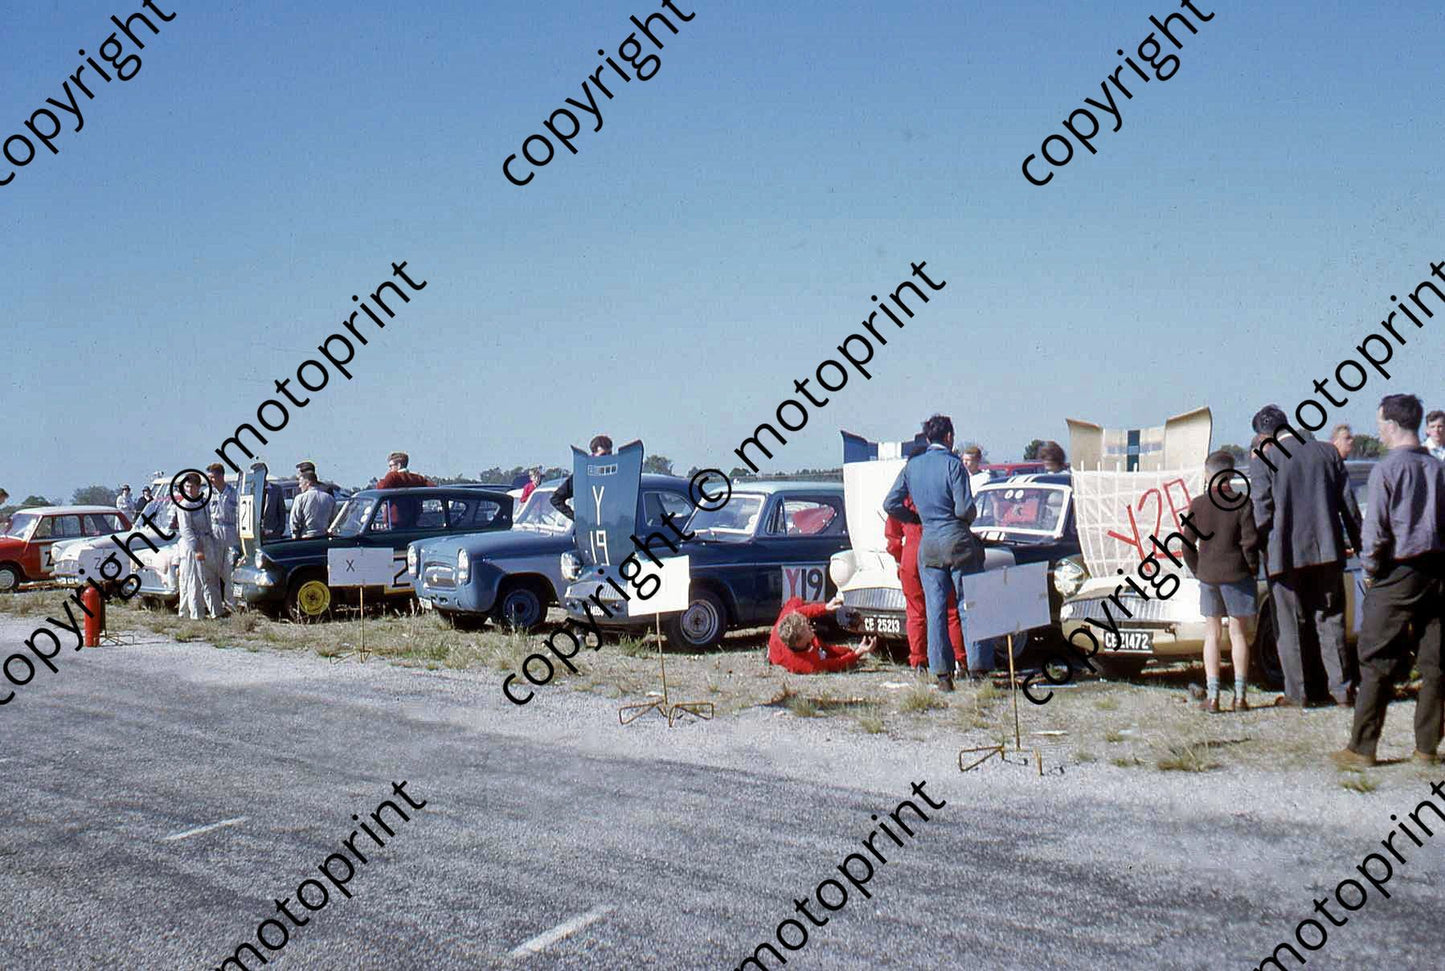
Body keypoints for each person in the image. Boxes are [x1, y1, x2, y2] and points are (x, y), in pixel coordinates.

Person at [1333, 394, 1445, 768]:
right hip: (1438, 571)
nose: (1378, 429)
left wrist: (1369, 569)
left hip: (1398, 570)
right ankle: (1426, 748)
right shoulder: (1438, 468)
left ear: (1393, 426)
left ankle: (1362, 748)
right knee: (1435, 663)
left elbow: (1376, 531)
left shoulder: (1387, 470)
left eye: (1380, 423)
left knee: (1374, 657)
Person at [1249, 404, 1363, 707]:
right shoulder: (1327, 453)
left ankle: (1297, 694)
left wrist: (1258, 551)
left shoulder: (1265, 459)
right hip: (1327, 552)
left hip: (1283, 557)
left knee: (1289, 626)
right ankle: (1341, 690)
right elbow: (1349, 507)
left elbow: (1261, 512)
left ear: (1263, 435)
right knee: (1330, 621)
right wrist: (1361, 546)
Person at [884, 414, 987, 691]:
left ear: (928, 438)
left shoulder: (912, 467)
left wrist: (914, 519)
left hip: (928, 542)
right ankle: (976, 669)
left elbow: (890, 502)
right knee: (967, 605)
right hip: (956, 539)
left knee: (934, 609)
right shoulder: (954, 465)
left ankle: (941, 674)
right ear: (950, 437)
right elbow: (965, 509)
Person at [1182, 451, 1260, 712]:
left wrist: (1198, 569)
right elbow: (1250, 543)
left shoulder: (1199, 504)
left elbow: (1187, 544)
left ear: (1207, 474)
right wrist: (1251, 568)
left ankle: (1213, 697)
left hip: (1209, 576)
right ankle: (1240, 697)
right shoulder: (1243, 503)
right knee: (1238, 635)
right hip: (1237, 575)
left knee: (1212, 635)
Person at [885, 495, 967, 674]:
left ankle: (919, 662)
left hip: (911, 554)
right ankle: (960, 660)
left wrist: (900, 559)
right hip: (938, 549)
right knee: (950, 609)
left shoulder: (902, 497)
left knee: (916, 611)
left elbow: (892, 537)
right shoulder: (941, 491)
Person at [769, 596, 876, 674]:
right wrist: (858, 653)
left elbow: (801, 611)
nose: (810, 627)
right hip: (784, 654)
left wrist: (826, 607)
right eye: (806, 629)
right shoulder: (808, 664)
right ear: (799, 641)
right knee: (831, 652)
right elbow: (834, 665)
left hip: (786, 633)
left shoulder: (788, 620)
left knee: (796, 600)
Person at [171, 472, 219, 619]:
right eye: (187, 487)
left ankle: (211, 611)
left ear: (198, 487)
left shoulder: (201, 502)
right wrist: (196, 547)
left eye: (192, 486)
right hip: (193, 546)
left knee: (207, 578)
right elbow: (185, 529)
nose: (190, 490)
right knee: (193, 581)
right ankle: (195, 614)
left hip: (206, 541)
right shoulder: (185, 504)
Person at [551, 435, 612, 521]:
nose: (607, 458)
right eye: (603, 455)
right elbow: (556, 499)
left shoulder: (616, 475)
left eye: (609, 454)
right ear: (593, 456)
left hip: (614, 528)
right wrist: (578, 519)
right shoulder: (582, 476)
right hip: (589, 530)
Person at [206, 463, 239, 613]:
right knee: (213, 571)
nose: (210, 480)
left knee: (229, 571)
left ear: (221, 476)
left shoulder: (234, 493)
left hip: (231, 531)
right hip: (214, 530)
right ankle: (215, 608)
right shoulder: (207, 494)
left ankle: (231, 606)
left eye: (212, 477)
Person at [376, 451, 433, 530]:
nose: (390, 469)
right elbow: (432, 488)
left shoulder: (393, 476)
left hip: (395, 521)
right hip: (413, 519)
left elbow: (381, 488)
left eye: (391, 466)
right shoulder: (417, 478)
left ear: (399, 465)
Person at [289, 471, 337, 538]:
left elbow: (294, 521)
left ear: (308, 483)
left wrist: (295, 537)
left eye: (301, 483)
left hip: (306, 537)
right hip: (323, 538)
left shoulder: (300, 498)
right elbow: (334, 520)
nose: (299, 486)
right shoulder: (330, 498)